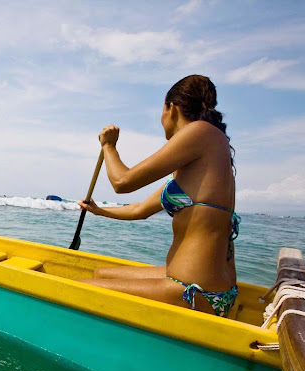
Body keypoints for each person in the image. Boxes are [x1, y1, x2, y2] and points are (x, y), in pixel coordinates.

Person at [77, 75, 239, 317]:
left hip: (193, 292)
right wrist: (100, 211)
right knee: (100, 274)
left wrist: (108, 146)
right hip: (203, 286)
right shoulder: (201, 161)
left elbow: (123, 182)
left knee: (76, 289)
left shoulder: (202, 132)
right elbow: (140, 209)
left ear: (171, 108)